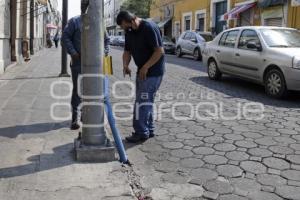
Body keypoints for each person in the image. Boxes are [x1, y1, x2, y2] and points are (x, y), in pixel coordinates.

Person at [116, 11, 165, 143]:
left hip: (153, 72)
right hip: (142, 71)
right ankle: (149, 129)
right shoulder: (130, 32)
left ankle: (141, 132)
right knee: (146, 102)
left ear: (132, 21)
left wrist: (145, 67)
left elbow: (159, 51)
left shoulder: (149, 27)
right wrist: (125, 65)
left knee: (141, 103)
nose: (125, 30)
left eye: (125, 27)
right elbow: (127, 51)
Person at [61, 15, 110, 130]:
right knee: (78, 90)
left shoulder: (99, 21)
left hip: (97, 64)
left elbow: (107, 40)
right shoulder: (75, 21)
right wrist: (73, 52)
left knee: (94, 90)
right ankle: (75, 118)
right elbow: (65, 37)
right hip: (79, 62)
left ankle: (87, 115)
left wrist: (104, 53)